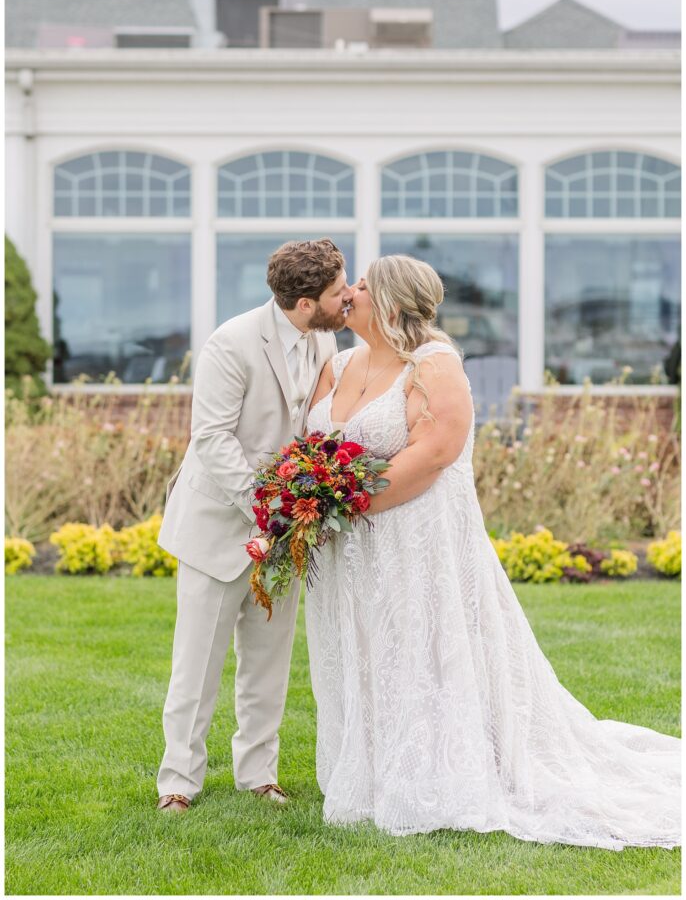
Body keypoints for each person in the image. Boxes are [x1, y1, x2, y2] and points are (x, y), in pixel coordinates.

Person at [305, 253, 680, 849]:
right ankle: (374, 769)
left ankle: (437, 772)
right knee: (370, 647)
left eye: (364, 286)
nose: (349, 292)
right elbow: (314, 447)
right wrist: (308, 495)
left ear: (395, 304)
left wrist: (342, 504)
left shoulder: (435, 364)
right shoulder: (340, 363)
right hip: (352, 554)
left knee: (425, 646)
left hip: (417, 541)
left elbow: (434, 452)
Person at [156, 238, 352, 812]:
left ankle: (258, 774)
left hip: (285, 537)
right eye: (339, 291)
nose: (349, 298)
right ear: (306, 302)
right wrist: (267, 505)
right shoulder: (231, 342)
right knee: (196, 667)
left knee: (267, 664)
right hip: (218, 526)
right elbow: (211, 438)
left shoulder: (326, 339)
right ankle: (178, 782)